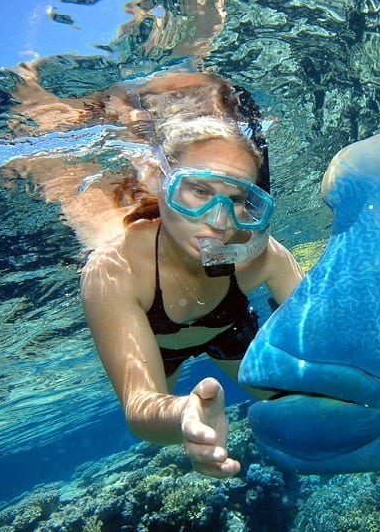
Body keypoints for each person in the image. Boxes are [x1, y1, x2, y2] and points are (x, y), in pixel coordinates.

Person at [80, 71, 303, 478]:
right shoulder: (118, 270)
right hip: (162, 347)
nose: (218, 222)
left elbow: (323, 333)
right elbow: (141, 407)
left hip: (227, 326)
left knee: (289, 399)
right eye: (198, 191)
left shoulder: (259, 256)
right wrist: (185, 413)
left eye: (237, 199)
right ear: (156, 179)